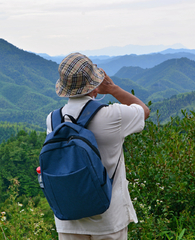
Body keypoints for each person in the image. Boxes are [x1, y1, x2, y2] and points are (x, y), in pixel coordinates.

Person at [45, 53, 150, 240]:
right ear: (93, 84)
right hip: (108, 219)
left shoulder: (53, 120)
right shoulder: (113, 116)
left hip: (68, 219)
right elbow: (144, 110)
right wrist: (112, 88)